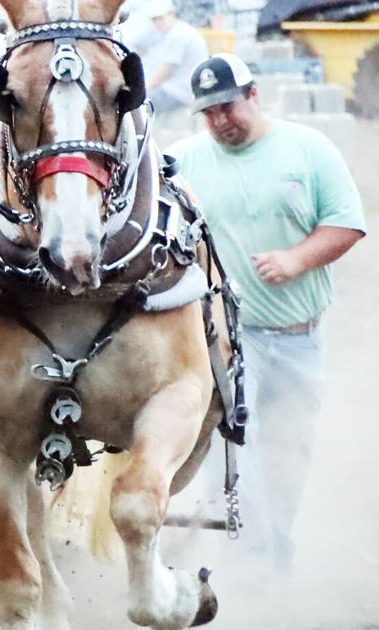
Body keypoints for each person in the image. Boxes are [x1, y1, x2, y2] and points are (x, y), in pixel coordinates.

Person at [168, 54, 366, 571]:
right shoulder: (182, 160)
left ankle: (275, 559)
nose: (219, 121)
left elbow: (346, 222)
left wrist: (296, 258)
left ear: (254, 96)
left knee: (287, 460)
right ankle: (250, 574)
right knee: (235, 453)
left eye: (227, 107)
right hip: (227, 340)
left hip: (300, 336)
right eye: (208, 113)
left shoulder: (309, 149)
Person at [138, 0, 208, 115]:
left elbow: (161, 75)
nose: (158, 23)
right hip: (178, 89)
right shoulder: (176, 32)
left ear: (172, 14)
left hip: (180, 92)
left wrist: (139, 91)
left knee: (138, 105)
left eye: (161, 18)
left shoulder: (178, 35)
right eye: (155, 20)